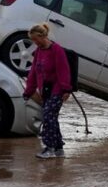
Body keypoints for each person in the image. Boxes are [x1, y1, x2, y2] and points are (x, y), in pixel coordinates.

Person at [22, 23, 71, 159]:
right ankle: (59, 149)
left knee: (48, 116)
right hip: (45, 91)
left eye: (36, 39)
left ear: (43, 36)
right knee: (52, 118)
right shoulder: (39, 51)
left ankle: (49, 148)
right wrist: (28, 91)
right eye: (33, 40)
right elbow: (33, 72)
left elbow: (63, 70)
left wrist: (66, 89)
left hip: (58, 90)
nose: (34, 42)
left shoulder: (57, 50)